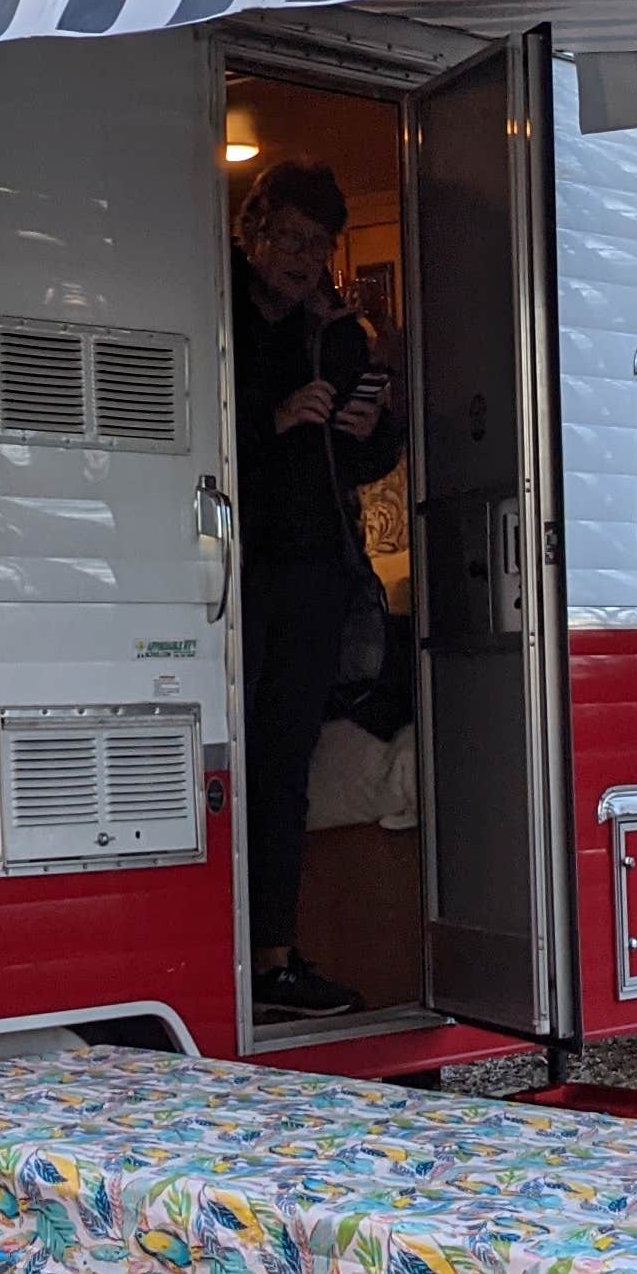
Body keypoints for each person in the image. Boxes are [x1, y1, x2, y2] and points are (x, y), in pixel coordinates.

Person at [229, 159, 399, 1017]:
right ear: (252, 233)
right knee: (228, 763)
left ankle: (273, 958)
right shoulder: (209, 307)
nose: (303, 258)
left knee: (282, 763)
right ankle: (228, 949)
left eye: (318, 245)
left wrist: (373, 431)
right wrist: (267, 422)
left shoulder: (337, 337)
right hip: (229, 568)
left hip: (310, 575)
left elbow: (365, 461)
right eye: (290, 238)